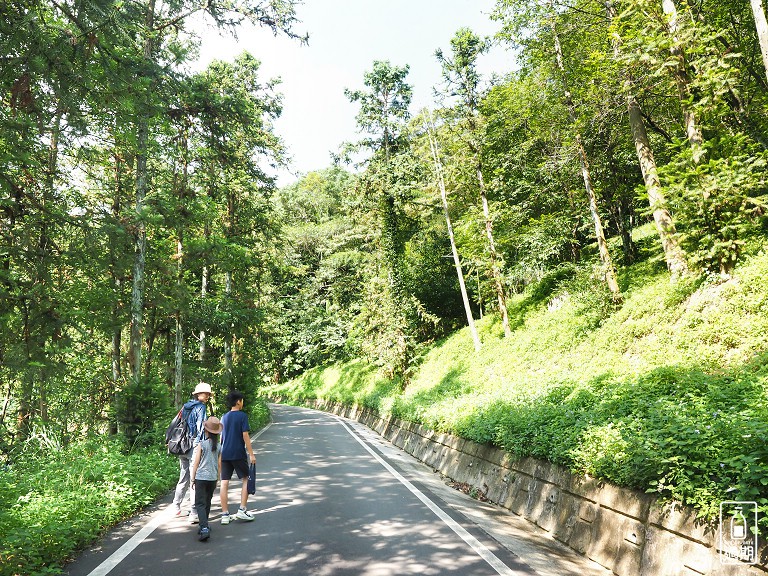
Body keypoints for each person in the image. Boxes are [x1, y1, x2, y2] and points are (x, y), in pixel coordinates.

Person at [172, 381, 211, 523]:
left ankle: (176, 505)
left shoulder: (186, 406)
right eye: (206, 394)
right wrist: (203, 446)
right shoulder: (200, 408)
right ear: (199, 394)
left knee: (183, 476)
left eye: (208, 394)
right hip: (193, 446)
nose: (207, 396)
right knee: (194, 478)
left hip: (181, 445)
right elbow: (201, 429)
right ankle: (194, 511)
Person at [219, 390, 256, 525]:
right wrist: (251, 454)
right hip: (238, 452)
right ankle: (242, 509)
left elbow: (221, 438)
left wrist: (220, 455)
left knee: (224, 482)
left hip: (225, 453)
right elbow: (245, 435)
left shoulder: (224, 417)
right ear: (238, 401)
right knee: (246, 478)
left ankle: (224, 514)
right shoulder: (242, 416)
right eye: (242, 400)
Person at [190, 416, 222, 542]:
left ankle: (204, 528)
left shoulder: (201, 445)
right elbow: (220, 464)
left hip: (201, 478)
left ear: (206, 431)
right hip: (212, 478)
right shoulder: (219, 447)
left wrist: (192, 479)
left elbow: (196, 463)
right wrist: (218, 478)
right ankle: (205, 524)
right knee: (207, 502)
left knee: (199, 503)